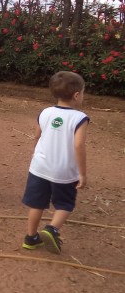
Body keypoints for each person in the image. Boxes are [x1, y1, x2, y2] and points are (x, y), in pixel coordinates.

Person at [21, 71, 89, 254]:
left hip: (39, 167)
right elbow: (79, 145)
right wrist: (82, 173)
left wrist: (36, 155)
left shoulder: (45, 112)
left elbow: (37, 136)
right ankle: (52, 229)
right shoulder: (79, 118)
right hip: (63, 171)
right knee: (65, 204)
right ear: (76, 95)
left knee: (37, 203)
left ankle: (31, 238)